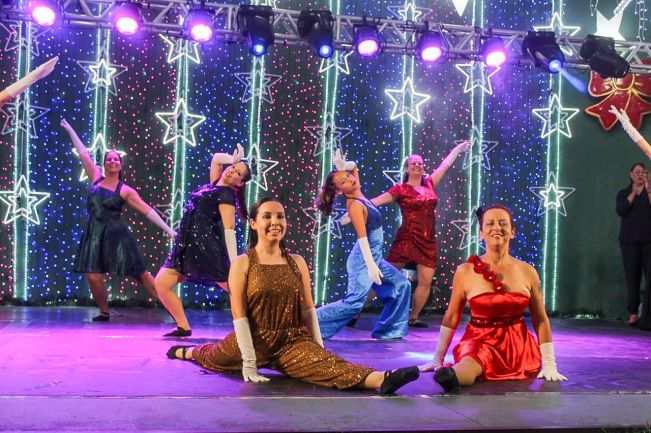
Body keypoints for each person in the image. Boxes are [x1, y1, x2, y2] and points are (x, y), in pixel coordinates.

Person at [166, 197, 420, 394]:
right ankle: (184, 351)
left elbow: (309, 310)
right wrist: (249, 362)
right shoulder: (243, 263)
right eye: (267, 216)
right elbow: (239, 315)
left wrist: (319, 349)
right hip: (253, 341)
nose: (275, 221)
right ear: (253, 223)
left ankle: (382, 379)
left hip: (292, 341)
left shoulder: (296, 262)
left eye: (280, 216)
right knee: (212, 356)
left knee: (330, 367)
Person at [420, 205, 567, 391]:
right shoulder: (465, 271)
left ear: (512, 232)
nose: (497, 227)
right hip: (479, 341)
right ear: (481, 233)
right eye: (490, 223)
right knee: (470, 363)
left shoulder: (528, 271)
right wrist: (438, 358)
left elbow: (540, 318)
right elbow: (452, 316)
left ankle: (454, 376)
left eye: (503, 223)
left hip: (518, 347)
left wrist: (550, 363)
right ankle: (452, 377)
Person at [61, 119, 176, 321]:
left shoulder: (125, 190)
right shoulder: (95, 177)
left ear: (120, 165)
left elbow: (148, 211)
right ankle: (104, 311)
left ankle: (175, 312)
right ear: (104, 164)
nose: (112, 161)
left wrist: (169, 230)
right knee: (93, 276)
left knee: (141, 275)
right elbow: (83, 153)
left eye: (116, 159)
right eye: (109, 159)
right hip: (94, 236)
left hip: (117, 237)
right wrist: (71, 130)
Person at [364, 142, 470, 328]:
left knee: (425, 281)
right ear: (407, 168)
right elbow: (375, 202)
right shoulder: (400, 189)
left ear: (423, 168)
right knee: (383, 276)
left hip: (427, 241)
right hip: (407, 239)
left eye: (420, 163)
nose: (417, 165)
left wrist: (458, 149)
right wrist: (355, 206)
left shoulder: (430, 184)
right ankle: (356, 308)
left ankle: (413, 317)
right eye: (413, 163)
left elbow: (445, 165)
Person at [155, 145, 251, 337]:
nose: (232, 170)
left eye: (238, 173)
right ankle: (183, 326)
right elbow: (216, 158)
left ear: (240, 183)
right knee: (161, 283)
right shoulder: (214, 183)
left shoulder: (226, 195)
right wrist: (233, 159)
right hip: (186, 246)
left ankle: (259, 322)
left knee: (234, 288)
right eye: (233, 167)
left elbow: (229, 229)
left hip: (206, 249)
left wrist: (234, 262)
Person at [315, 150, 411, 339]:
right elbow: (363, 238)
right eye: (344, 181)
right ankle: (309, 323)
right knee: (354, 304)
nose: (350, 180)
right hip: (363, 261)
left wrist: (343, 167)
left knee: (402, 285)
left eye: (348, 176)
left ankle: (389, 330)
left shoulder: (358, 192)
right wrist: (371, 266)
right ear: (339, 191)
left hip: (374, 258)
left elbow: (354, 167)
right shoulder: (355, 205)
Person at [615, 163, 651, 329]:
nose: (639, 175)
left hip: (648, 242)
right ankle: (633, 312)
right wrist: (634, 194)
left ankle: (647, 314)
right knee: (632, 278)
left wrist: (648, 190)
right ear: (631, 175)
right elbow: (621, 210)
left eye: (643, 172)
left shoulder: (649, 192)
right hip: (629, 242)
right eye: (636, 172)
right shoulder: (624, 193)